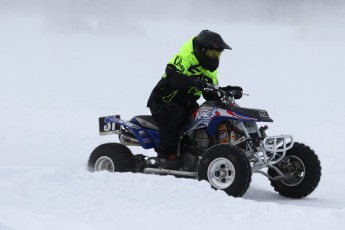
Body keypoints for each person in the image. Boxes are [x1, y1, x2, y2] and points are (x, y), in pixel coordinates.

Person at [147, 30, 243, 169]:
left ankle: (204, 153)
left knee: (207, 116)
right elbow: (172, 76)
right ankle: (167, 157)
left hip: (188, 104)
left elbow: (210, 93)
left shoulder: (210, 69)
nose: (215, 57)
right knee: (175, 115)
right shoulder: (183, 57)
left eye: (218, 54)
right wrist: (192, 81)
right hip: (164, 101)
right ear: (201, 50)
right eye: (212, 53)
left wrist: (226, 90)